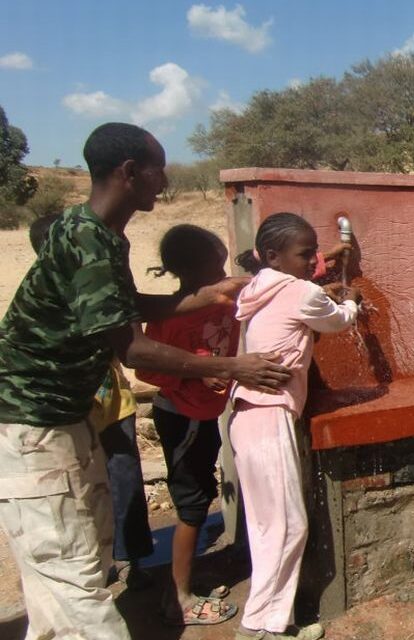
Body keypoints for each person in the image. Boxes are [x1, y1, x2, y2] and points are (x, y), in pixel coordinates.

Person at [0, 122, 289, 640]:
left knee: (72, 568)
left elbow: (121, 306)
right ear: (130, 172)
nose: (164, 180)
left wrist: (202, 297)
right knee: (75, 588)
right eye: (158, 169)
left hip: (62, 416)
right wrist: (232, 367)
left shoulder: (95, 232)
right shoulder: (90, 238)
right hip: (33, 423)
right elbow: (132, 347)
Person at [230, 212, 361, 640]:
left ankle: (271, 620)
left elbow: (304, 291)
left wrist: (326, 279)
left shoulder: (259, 285)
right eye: (306, 254)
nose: (314, 261)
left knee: (270, 523)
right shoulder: (301, 292)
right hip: (270, 418)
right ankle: (260, 625)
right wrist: (351, 300)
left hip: (247, 417)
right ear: (273, 255)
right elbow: (337, 321)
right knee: (287, 525)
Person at [29, 214, 155, 592]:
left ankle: (131, 560)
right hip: (71, 412)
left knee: (125, 482)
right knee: (80, 490)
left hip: (114, 403)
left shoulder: (97, 285)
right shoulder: (45, 296)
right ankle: (95, 565)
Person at [134, 224, 241, 626]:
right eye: (217, 266)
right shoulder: (170, 317)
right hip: (181, 415)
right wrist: (195, 376)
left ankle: (181, 582)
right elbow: (144, 368)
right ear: (192, 273)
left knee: (200, 494)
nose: (224, 272)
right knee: (193, 504)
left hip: (202, 415)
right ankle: (178, 599)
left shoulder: (224, 303)